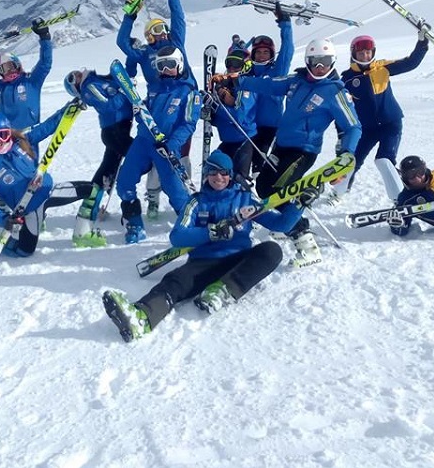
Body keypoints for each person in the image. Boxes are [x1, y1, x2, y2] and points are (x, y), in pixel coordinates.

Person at [102, 150, 317, 342]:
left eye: (224, 173)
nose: (219, 178)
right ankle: (141, 318)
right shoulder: (196, 202)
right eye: (213, 173)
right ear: (206, 174)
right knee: (175, 282)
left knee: (271, 250)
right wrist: (211, 232)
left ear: (230, 174)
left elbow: (280, 224)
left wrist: (299, 205)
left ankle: (222, 291)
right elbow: (178, 237)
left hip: (239, 260)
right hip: (204, 262)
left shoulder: (245, 200)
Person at [216, 38, 361, 267]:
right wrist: (238, 81)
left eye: (325, 62)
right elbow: (269, 84)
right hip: (281, 146)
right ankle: (288, 222)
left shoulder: (336, 92)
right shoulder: (296, 80)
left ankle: (306, 242)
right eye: (315, 61)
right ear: (308, 61)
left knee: (278, 191)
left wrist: (347, 153)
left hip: (303, 150)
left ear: (332, 62)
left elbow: (353, 126)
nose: (320, 67)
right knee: (264, 188)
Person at [0, 111, 91, 258]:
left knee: (91, 190)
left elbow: (47, 126)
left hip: (48, 191)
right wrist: (4, 220)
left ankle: (83, 234)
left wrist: (69, 109)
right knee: (24, 251)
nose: (1, 141)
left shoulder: (20, 140)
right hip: (28, 209)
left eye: (4, 134)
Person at [115, 45, 201, 244]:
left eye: (170, 64)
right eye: (161, 65)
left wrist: (172, 144)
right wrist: (138, 111)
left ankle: (191, 227)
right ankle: (134, 224)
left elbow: (188, 124)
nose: (165, 69)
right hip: (144, 142)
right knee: (125, 182)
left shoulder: (189, 93)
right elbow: (144, 114)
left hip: (166, 147)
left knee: (176, 192)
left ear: (179, 65)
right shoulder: (154, 88)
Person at [338, 30, 428, 191]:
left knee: (384, 160)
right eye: (361, 53)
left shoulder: (382, 67)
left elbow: (411, 63)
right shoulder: (347, 79)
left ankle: (400, 197)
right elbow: (341, 109)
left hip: (390, 123)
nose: (365, 56)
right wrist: (342, 135)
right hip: (366, 129)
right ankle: (339, 193)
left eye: (368, 52)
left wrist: (422, 44)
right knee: (351, 161)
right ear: (353, 54)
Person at [62, 68, 134, 248]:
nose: (76, 74)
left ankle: (89, 207)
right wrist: (127, 94)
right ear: (76, 88)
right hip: (114, 131)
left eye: (74, 73)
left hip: (117, 129)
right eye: (72, 79)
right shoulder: (88, 88)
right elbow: (108, 104)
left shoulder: (95, 79)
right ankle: (93, 207)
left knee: (107, 170)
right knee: (142, 159)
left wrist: (122, 85)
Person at [0, 20, 54, 131]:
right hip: (6, 136)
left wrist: (44, 37)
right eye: (4, 69)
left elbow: (45, 64)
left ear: (18, 65)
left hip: (30, 134)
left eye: (11, 66)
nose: (9, 71)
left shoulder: (31, 81)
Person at [240, 3, 295, 174]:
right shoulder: (248, 74)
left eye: (266, 52)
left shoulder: (277, 71)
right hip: (249, 125)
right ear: (253, 54)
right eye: (259, 52)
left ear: (271, 55)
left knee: (259, 160)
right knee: (242, 160)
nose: (262, 55)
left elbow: (287, 50)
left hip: (271, 126)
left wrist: (285, 24)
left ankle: (261, 189)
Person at [210, 44, 257, 186]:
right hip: (227, 141)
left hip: (243, 140)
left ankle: (244, 204)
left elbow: (238, 116)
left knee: (238, 179)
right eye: (229, 64)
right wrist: (209, 111)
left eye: (236, 65)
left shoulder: (247, 86)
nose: (231, 68)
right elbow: (219, 119)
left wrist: (216, 106)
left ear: (246, 66)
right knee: (215, 171)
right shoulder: (226, 85)